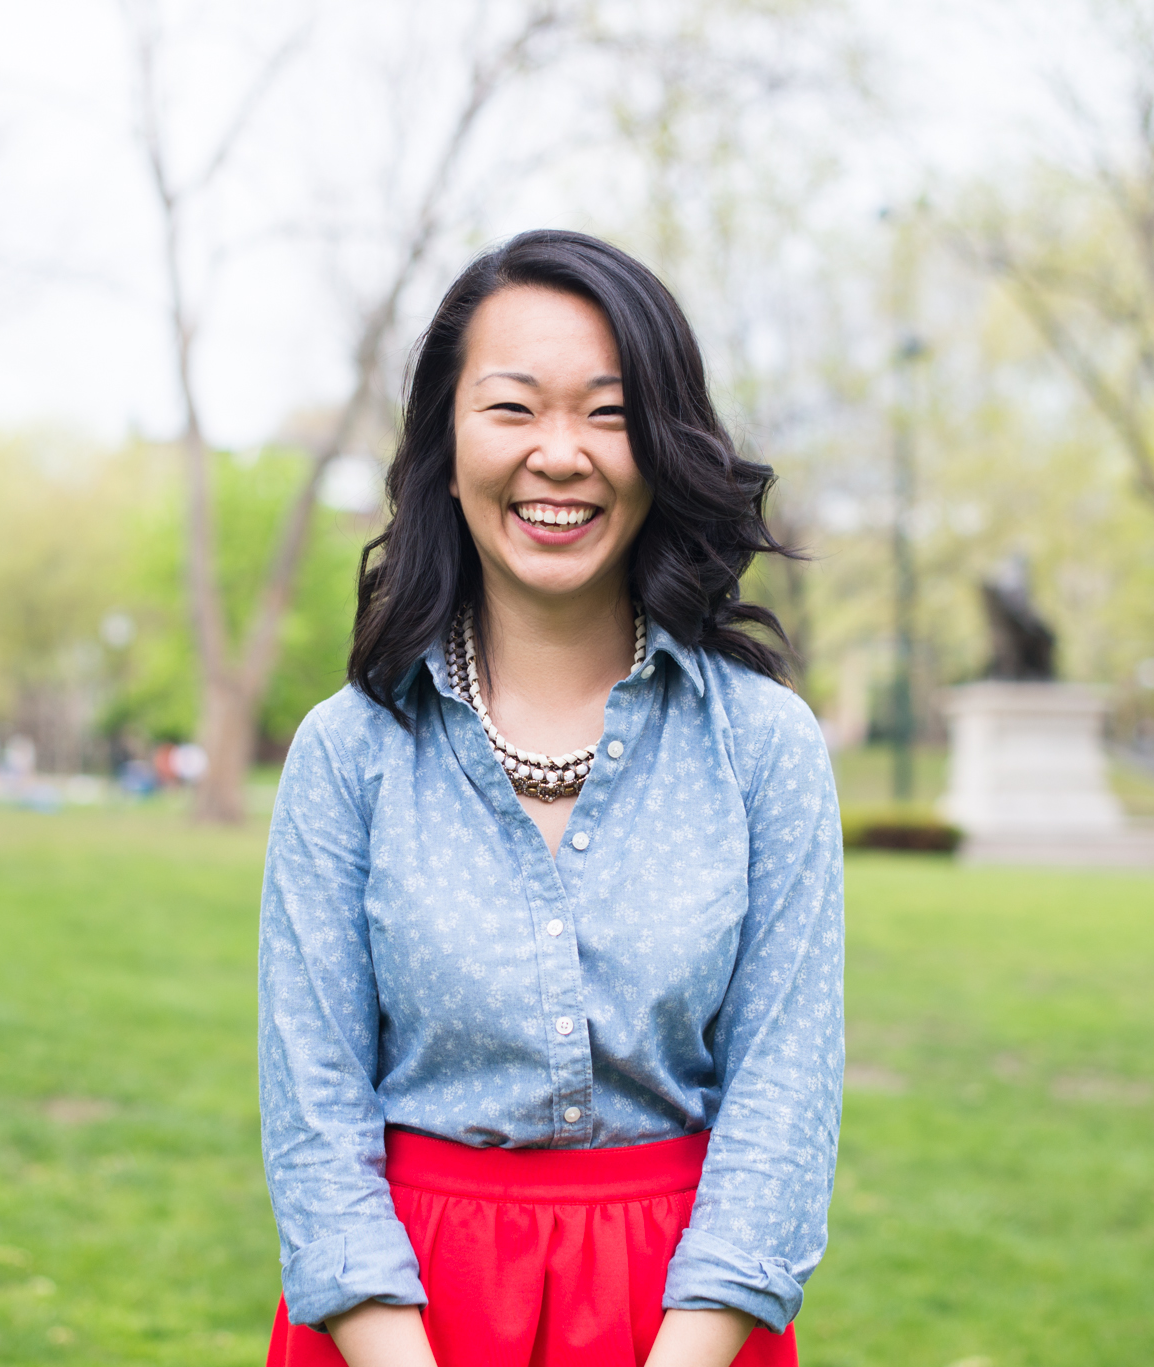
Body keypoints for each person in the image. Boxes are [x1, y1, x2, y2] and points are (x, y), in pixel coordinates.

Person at [259, 229, 845, 1367]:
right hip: (397, 1319)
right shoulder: (348, 754)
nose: (559, 455)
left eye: (609, 412)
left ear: (665, 446)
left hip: (685, 1322)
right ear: (443, 446)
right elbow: (313, 1118)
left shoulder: (762, 746)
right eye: (513, 408)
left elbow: (782, 1102)